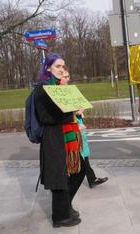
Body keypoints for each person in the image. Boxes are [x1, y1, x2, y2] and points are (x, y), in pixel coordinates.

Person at [33, 53, 85, 227]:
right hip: (54, 138)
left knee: (78, 170)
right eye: (57, 66)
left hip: (67, 136)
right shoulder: (43, 88)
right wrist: (71, 111)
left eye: (63, 66)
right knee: (59, 177)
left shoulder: (59, 85)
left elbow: (65, 109)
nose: (61, 70)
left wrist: (75, 108)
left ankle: (65, 206)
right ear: (48, 68)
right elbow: (46, 117)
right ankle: (59, 217)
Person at [61, 71, 108, 188]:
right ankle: (88, 179)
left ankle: (91, 178)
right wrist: (75, 112)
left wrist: (79, 111)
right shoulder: (59, 93)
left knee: (83, 153)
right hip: (71, 127)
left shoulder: (70, 91)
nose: (68, 79)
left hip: (77, 123)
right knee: (78, 154)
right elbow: (63, 112)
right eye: (65, 77)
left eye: (68, 76)